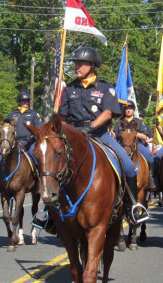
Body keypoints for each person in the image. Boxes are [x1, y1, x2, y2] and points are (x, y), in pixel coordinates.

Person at [58, 46, 149, 225]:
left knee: (129, 167)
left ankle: (132, 208)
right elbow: (62, 117)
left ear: (92, 65)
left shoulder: (106, 88)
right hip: (74, 135)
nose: (76, 67)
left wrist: (90, 127)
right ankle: (49, 212)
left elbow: (108, 113)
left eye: (80, 63)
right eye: (75, 63)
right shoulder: (69, 89)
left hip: (100, 134)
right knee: (52, 164)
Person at [114, 101, 156, 190]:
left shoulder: (139, 122)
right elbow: (115, 136)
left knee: (149, 156)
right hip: (121, 144)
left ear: (133, 110)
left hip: (137, 144)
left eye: (130, 108)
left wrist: (133, 134)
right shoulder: (119, 122)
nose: (128, 110)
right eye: (126, 108)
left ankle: (151, 178)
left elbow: (145, 136)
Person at [0, 91, 42, 165]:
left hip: (29, 142)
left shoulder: (34, 114)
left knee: (34, 156)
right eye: (24, 101)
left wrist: (30, 137)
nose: (26, 102)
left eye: (27, 101)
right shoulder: (12, 114)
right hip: (14, 141)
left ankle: (38, 176)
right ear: (19, 102)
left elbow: (38, 129)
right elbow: (7, 128)